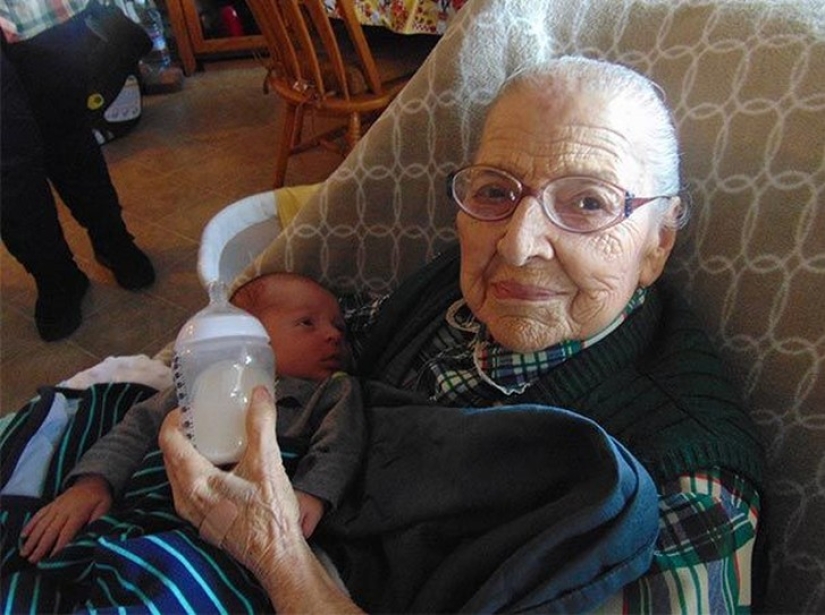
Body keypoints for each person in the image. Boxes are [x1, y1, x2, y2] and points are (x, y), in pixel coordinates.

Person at [158, 57, 765, 614]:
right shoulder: (453, 287)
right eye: (496, 191)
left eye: (587, 202)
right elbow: (349, 334)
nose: (518, 245)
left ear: (658, 244)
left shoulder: (691, 483)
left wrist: (278, 557)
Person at [18, 272, 364, 562]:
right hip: (157, 502)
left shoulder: (333, 391)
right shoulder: (205, 381)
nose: (334, 335)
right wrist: (93, 483)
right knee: (78, 557)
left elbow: (341, 444)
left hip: (249, 517)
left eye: (340, 328)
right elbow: (139, 426)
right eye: (307, 323)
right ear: (246, 336)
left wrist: (311, 493)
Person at [0, 0, 155, 342]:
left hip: (39, 12)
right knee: (7, 171)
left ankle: (111, 238)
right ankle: (55, 277)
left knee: (68, 132)